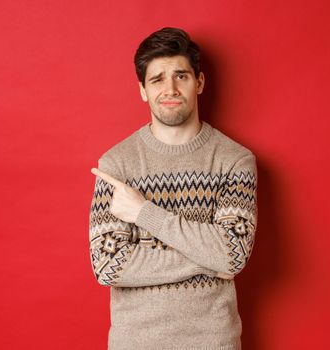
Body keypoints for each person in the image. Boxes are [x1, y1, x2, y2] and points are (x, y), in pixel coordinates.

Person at [89, 27, 258, 350]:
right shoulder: (116, 165)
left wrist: (143, 212)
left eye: (181, 76)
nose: (170, 88)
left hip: (213, 343)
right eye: (157, 79)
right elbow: (109, 265)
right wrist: (211, 257)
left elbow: (232, 256)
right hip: (134, 343)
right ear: (142, 90)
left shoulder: (234, 161)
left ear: (200, 82)